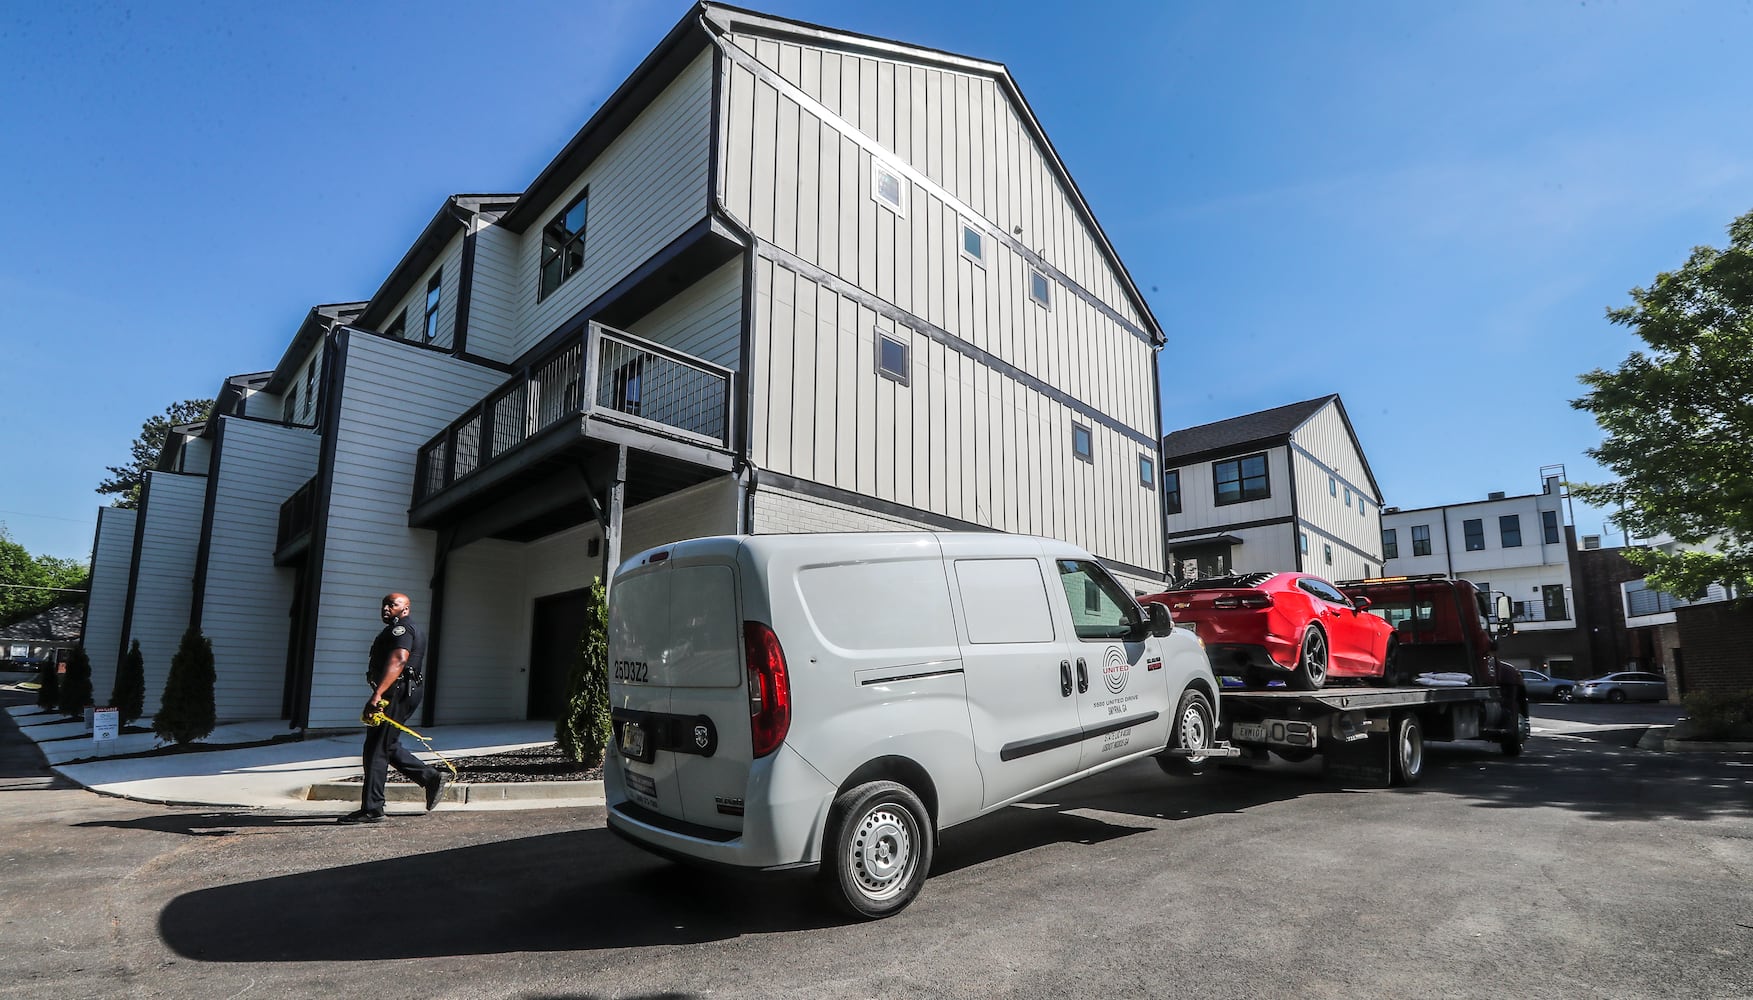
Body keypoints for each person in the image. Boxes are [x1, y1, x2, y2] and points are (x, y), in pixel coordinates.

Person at [338, 592, 448, 824]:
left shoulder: (403, 630)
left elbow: (399, 660)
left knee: (376, 749)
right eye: (384, 604)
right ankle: (430, 778)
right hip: (398, 690)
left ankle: (373, 808)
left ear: (405, 609)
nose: (386, 608)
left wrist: (377, 695)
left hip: (396, 692)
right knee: (387, 745)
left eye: (392, 605)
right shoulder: (397, 629)